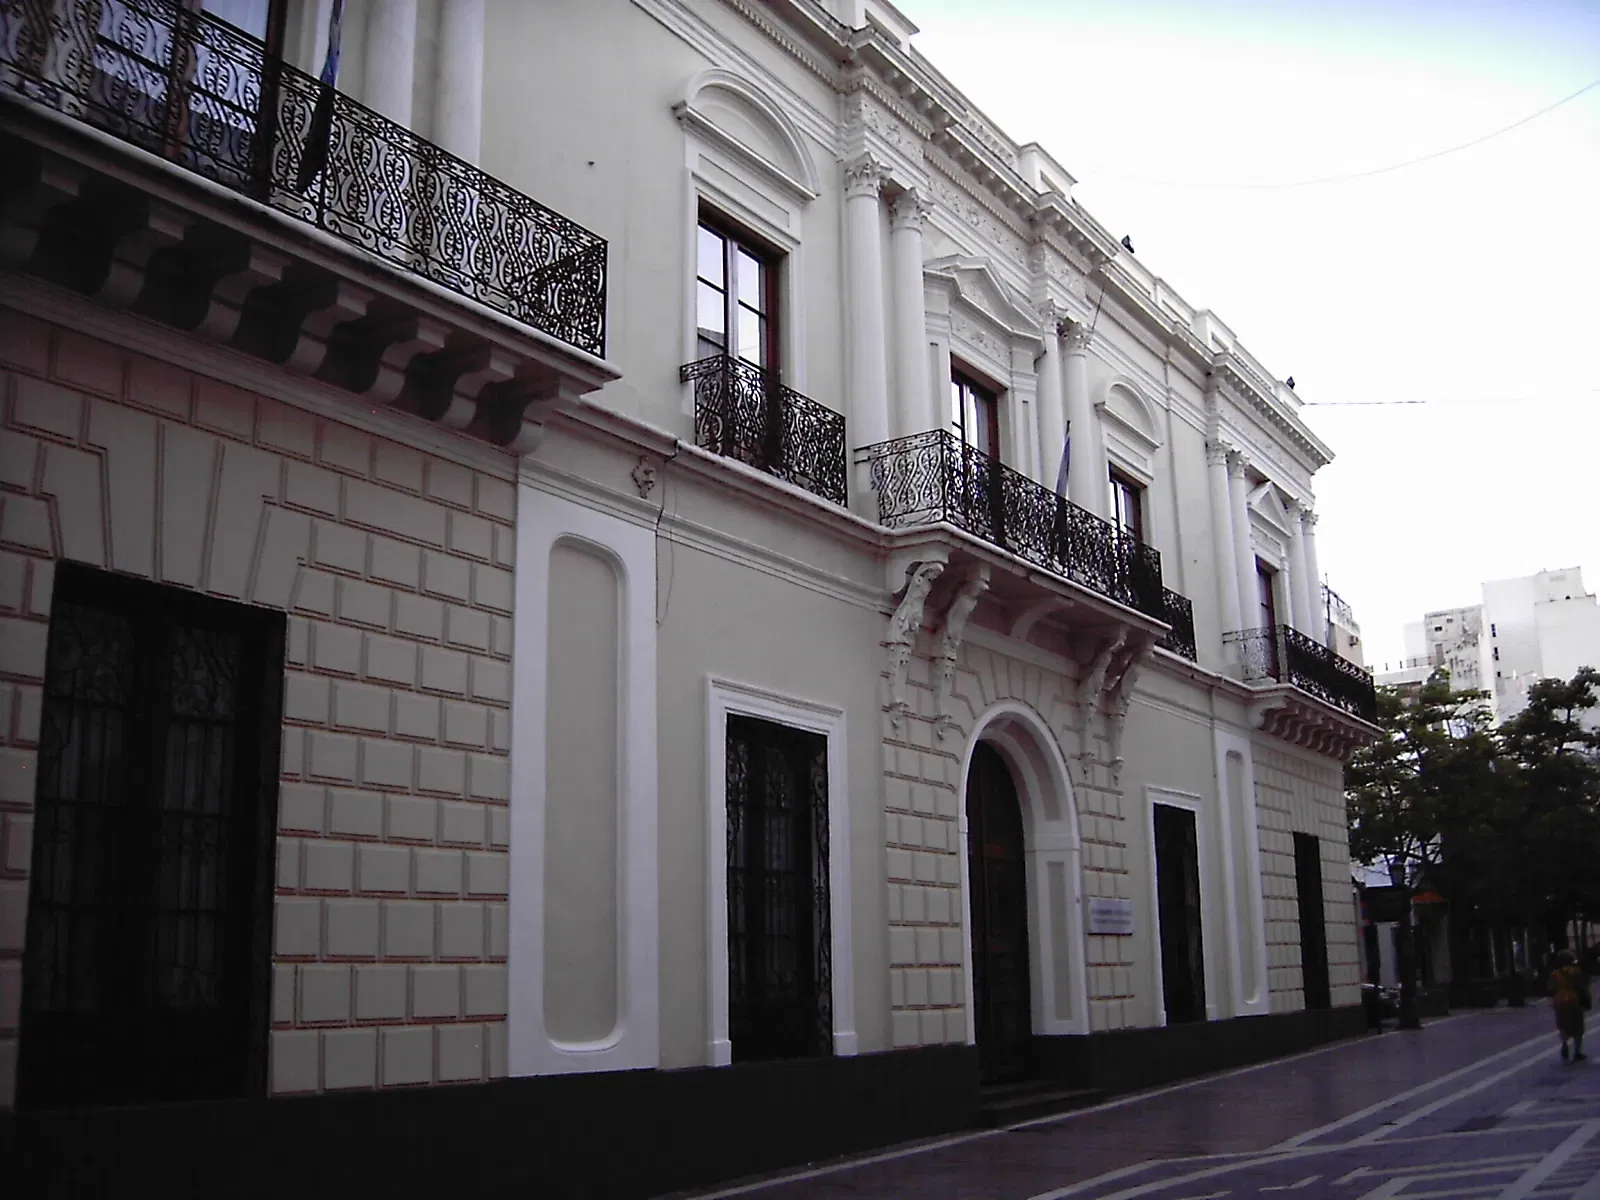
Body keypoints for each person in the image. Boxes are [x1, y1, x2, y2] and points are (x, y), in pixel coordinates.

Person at [1549, 949, 1590, 1062]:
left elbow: (1551, 988)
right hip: (1573, 1000)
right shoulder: (1575, 971)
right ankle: (1577, 1052)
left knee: (1562, 1024)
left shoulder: (1554, 974)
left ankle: (1565, 1043)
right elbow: (1581, 985)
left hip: (1559, 1001)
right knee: (1578, 1026)